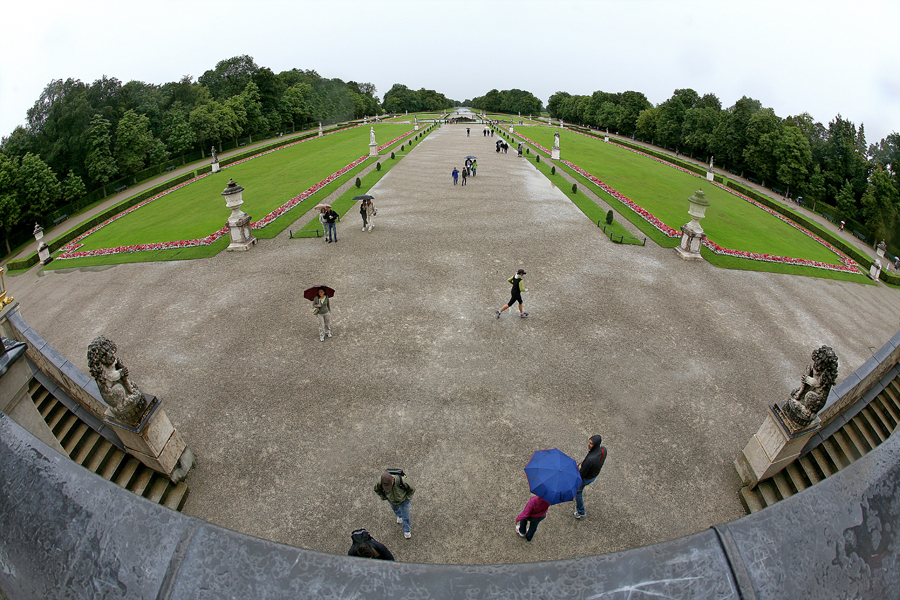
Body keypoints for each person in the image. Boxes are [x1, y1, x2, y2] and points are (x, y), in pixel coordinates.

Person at [374, 470, 416, 539]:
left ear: (393, 479)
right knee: (395, 509)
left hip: (404, 501)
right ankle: (399, 516)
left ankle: (407, 530)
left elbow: (412, 489)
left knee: (406, 516)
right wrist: (384, 497)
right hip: (391, 500)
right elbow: (376, 489)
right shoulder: (379, 482)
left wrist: (407, 498)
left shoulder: (403, 481)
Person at [574, 434, 607, 519]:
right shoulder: (603, 450)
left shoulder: (589, 460)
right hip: (594, 475)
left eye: (591, 443)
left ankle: (581, 512)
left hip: (587, 478)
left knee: (578, 491)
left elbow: (581, 475)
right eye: (589, 442)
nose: (588, 444)